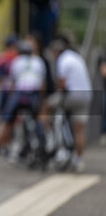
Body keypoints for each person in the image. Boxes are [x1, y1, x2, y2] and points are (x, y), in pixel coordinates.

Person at [0, 40, 46, 170]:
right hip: (34, 94)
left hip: (20, 94)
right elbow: (42, 83)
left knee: (6, 124)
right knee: (38, 120)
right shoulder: (39, 61)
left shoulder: (17, 61)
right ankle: (43, 150)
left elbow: (13, 81)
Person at [48, 35, 92, 172]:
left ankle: (55, 145)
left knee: (46, 107)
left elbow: (62, 83)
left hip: (71, 96)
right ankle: (78, 160)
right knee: (79, 129)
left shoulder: (63, 60)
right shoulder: (77, 57)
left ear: (56, 51)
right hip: (86, 96)